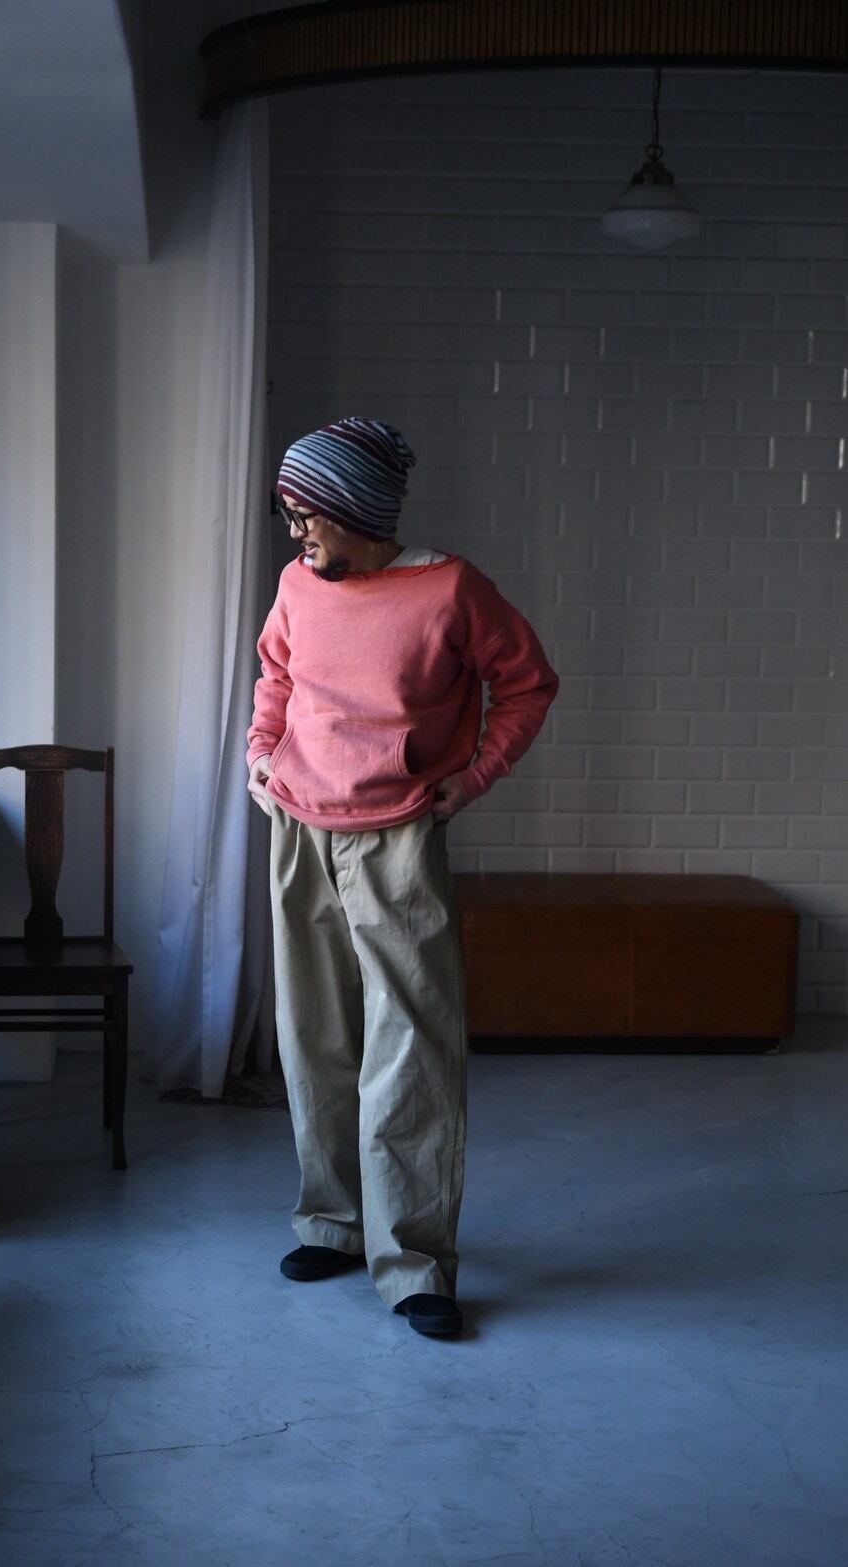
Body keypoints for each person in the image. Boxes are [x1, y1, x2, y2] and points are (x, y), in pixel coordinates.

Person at [246, 416, 559, 1336]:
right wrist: (260, 750)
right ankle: (332, 1222)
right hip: (297, 827)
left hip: (397, 838)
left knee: (411, 1047)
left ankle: (414, 1260)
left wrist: (475, 776)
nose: (295, 531)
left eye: (305, 513)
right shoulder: (296, 584)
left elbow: (528, 682)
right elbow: (275, 673)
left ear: (354, 509)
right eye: (287, 513)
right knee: (312, 1035)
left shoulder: (450, 589)